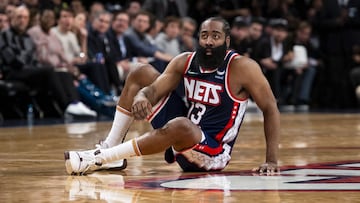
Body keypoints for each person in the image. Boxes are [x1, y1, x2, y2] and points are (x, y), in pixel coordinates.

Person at [64, 17, 280, 175]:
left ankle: (98, 159)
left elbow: (270, 108)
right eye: (204, 36)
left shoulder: (243, 68)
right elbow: (154, 89)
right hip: (181, 131)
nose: (209, 41)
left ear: (227, 41)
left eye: (216, 36)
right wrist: (142, 96)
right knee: (140, 71)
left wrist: (271, 160)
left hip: (212, 152)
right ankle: (111, 148)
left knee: (182, 125)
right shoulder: (185, 60)